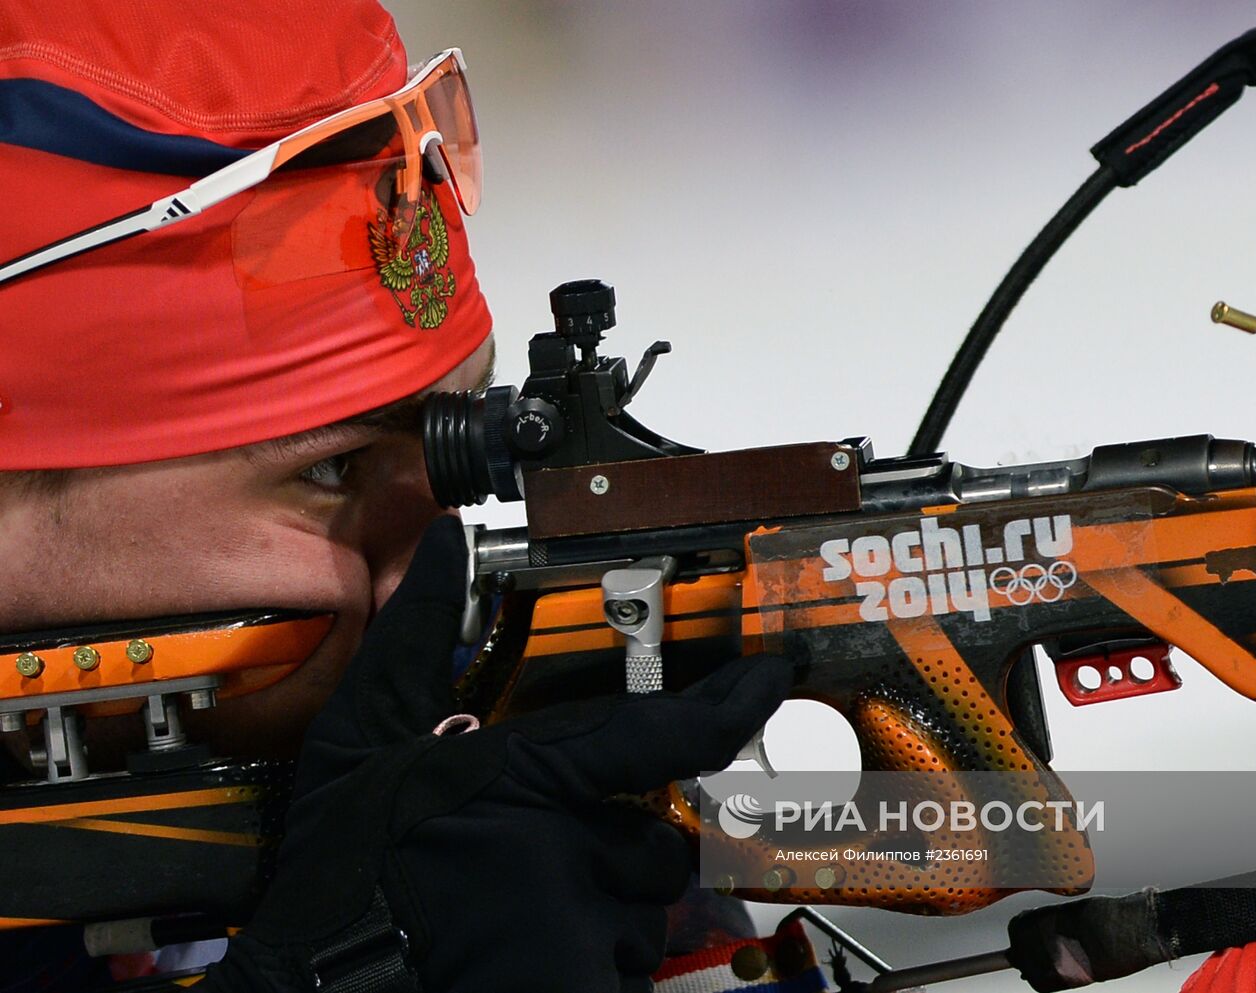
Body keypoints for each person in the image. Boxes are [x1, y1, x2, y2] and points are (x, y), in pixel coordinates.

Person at [0, 3, 815, 990]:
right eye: (330, 476)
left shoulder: (486, 805)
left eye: (460, 451)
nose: (434, 582)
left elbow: (1021, 847)